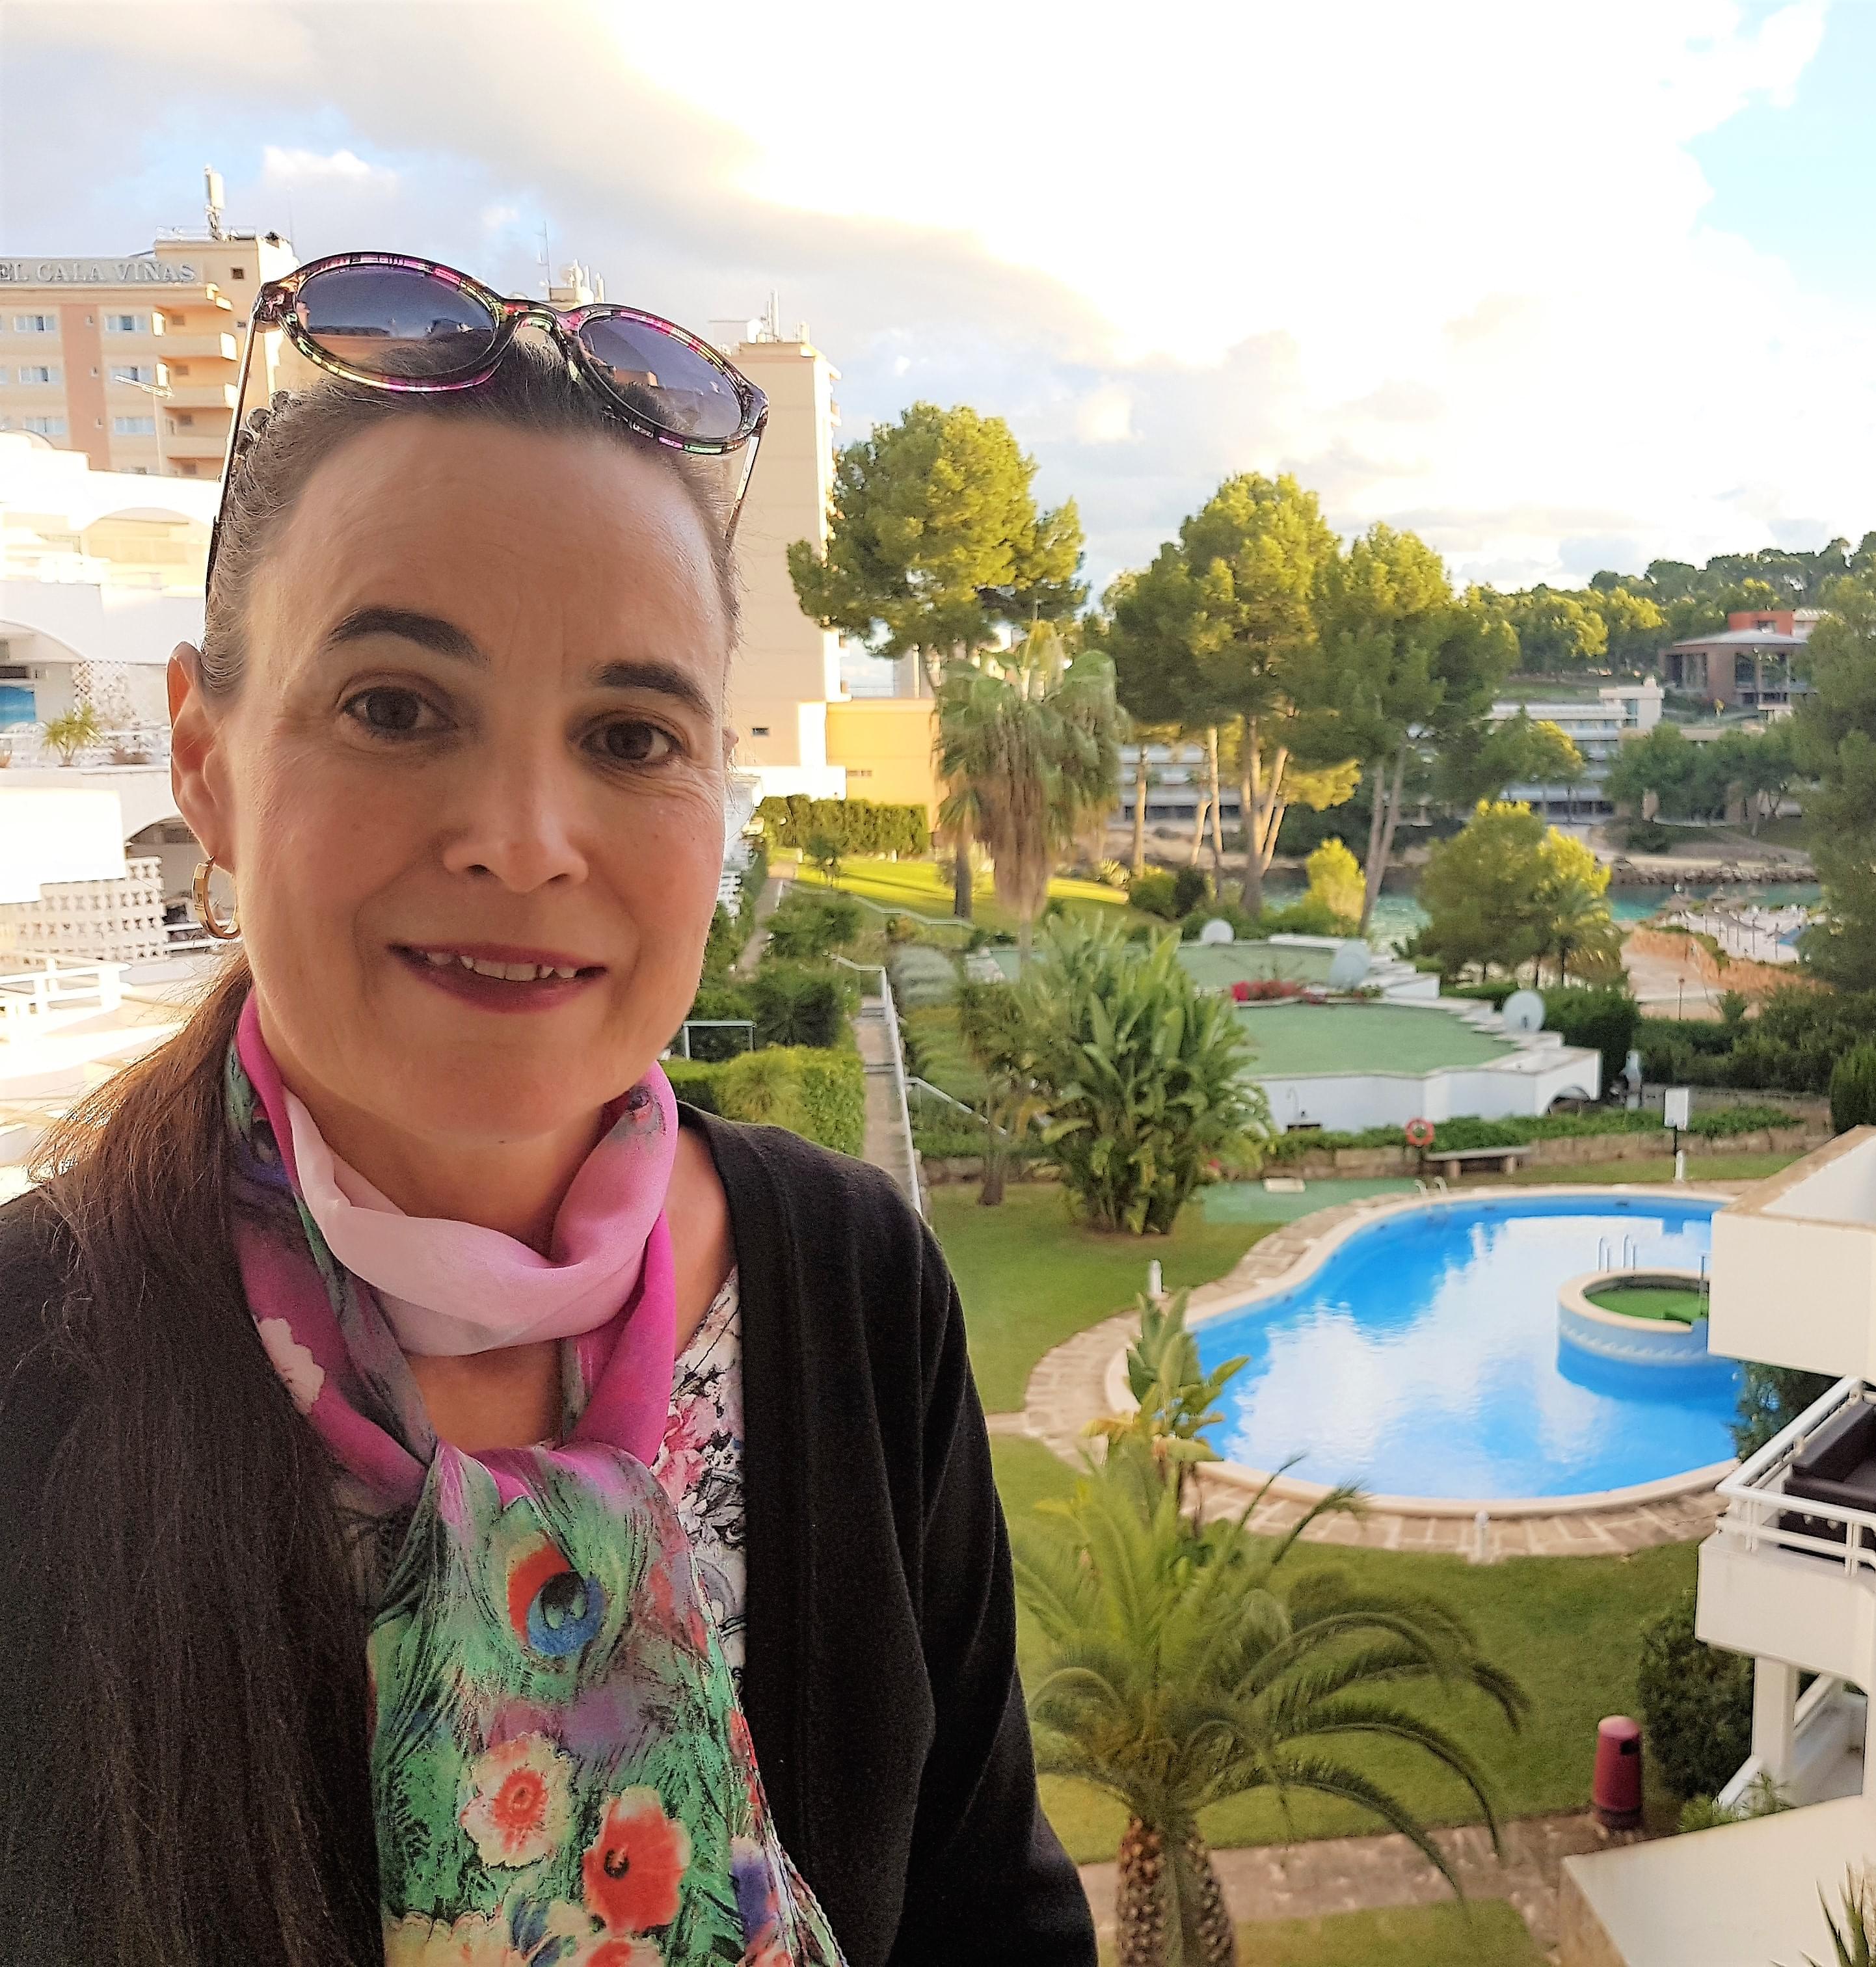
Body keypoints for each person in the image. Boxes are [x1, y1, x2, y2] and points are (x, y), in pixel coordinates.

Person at [0, 254, 1095, 1964]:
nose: (523, 840)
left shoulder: (855, 1284)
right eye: (394, 708)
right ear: (207, 764)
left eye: (631, 735)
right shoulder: (25, 1365)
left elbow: (991, 1913)